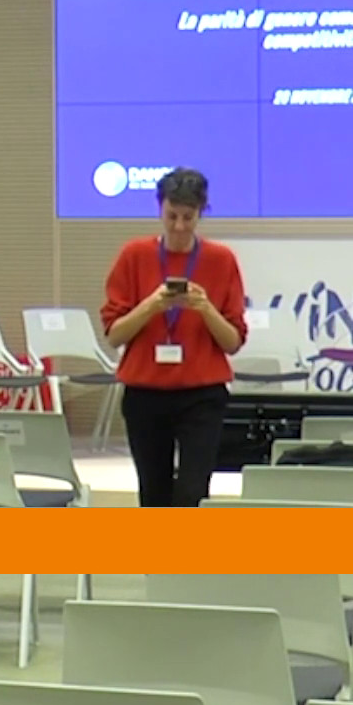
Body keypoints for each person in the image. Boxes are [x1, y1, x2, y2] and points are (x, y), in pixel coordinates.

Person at [101, 168, 248, 507]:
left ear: (201, 213)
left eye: (188, 217)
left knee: (192, 493)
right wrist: (151, 306)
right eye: (172, 216)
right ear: (160, 209)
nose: (179, 226)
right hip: (145, 393)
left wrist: (206, 309)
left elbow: (232, 342)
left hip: (202, 395)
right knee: (154, 493)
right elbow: (114, 335)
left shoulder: (221, 260)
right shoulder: (134, 255)